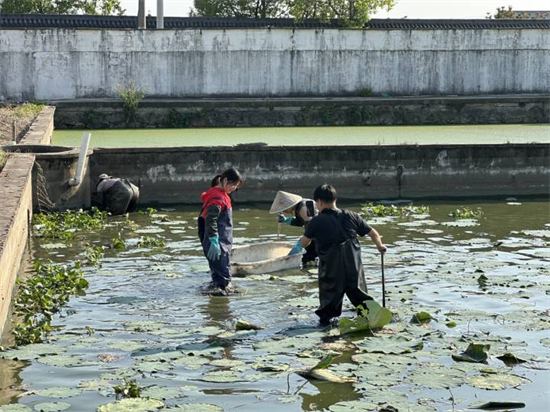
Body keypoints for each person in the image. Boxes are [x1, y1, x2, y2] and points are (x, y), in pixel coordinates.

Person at [290, 184, 387, 326]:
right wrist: (380, 246)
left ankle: (327, 329)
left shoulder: (316, 221)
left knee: (329, 305)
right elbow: (373, 233)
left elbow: (304, 243)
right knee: (360, 296)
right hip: (353, 268)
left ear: (319, 202)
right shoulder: (352, 215)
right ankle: (374, 319)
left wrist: (307, 222)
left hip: (331, 270)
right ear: (335, 199)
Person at [198, 168, 244, 296]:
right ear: (224, 180)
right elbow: (211, 219)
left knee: (218, 273)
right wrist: (213, 240)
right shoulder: (217, 197)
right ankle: (222, 308)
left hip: (222, 242)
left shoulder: (218, 194)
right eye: (233, 184)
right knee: (223, 277)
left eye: (236, 186)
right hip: (218, 243)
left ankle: (216, 296)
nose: (234, 188)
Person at [269, 191, 318, 266]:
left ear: (290, 204)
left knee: (310, 258)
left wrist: (301, 243)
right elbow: (300, 222)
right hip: (314, 235)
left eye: (285, 209)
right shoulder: (298, 208)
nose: (284, 211)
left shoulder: (303, 208)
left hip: (318, 235)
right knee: (307, 260)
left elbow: (311, 227)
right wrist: (286, 220)